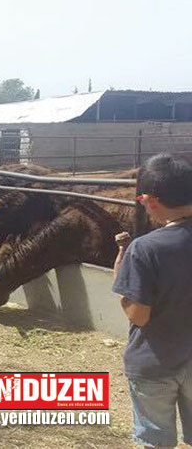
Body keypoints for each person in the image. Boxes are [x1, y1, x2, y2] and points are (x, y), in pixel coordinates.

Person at [113, 153, 192, 449]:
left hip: (156, 363)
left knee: (156, 440)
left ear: (150, 200)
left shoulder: (144, 249)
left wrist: (122, 285)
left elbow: (139, 315)